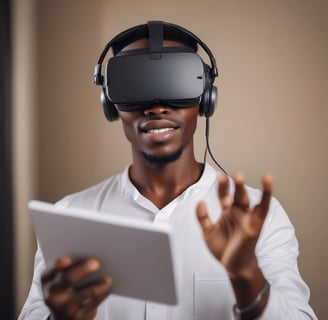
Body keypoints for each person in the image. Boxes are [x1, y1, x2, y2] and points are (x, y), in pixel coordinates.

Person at [19, 21, 317, 320]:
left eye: (176, 82)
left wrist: (247, 275)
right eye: (136, 84)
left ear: (205, 98)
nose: (157, 106)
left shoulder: (259, 218)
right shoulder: (72, 216)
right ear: (109, 103)